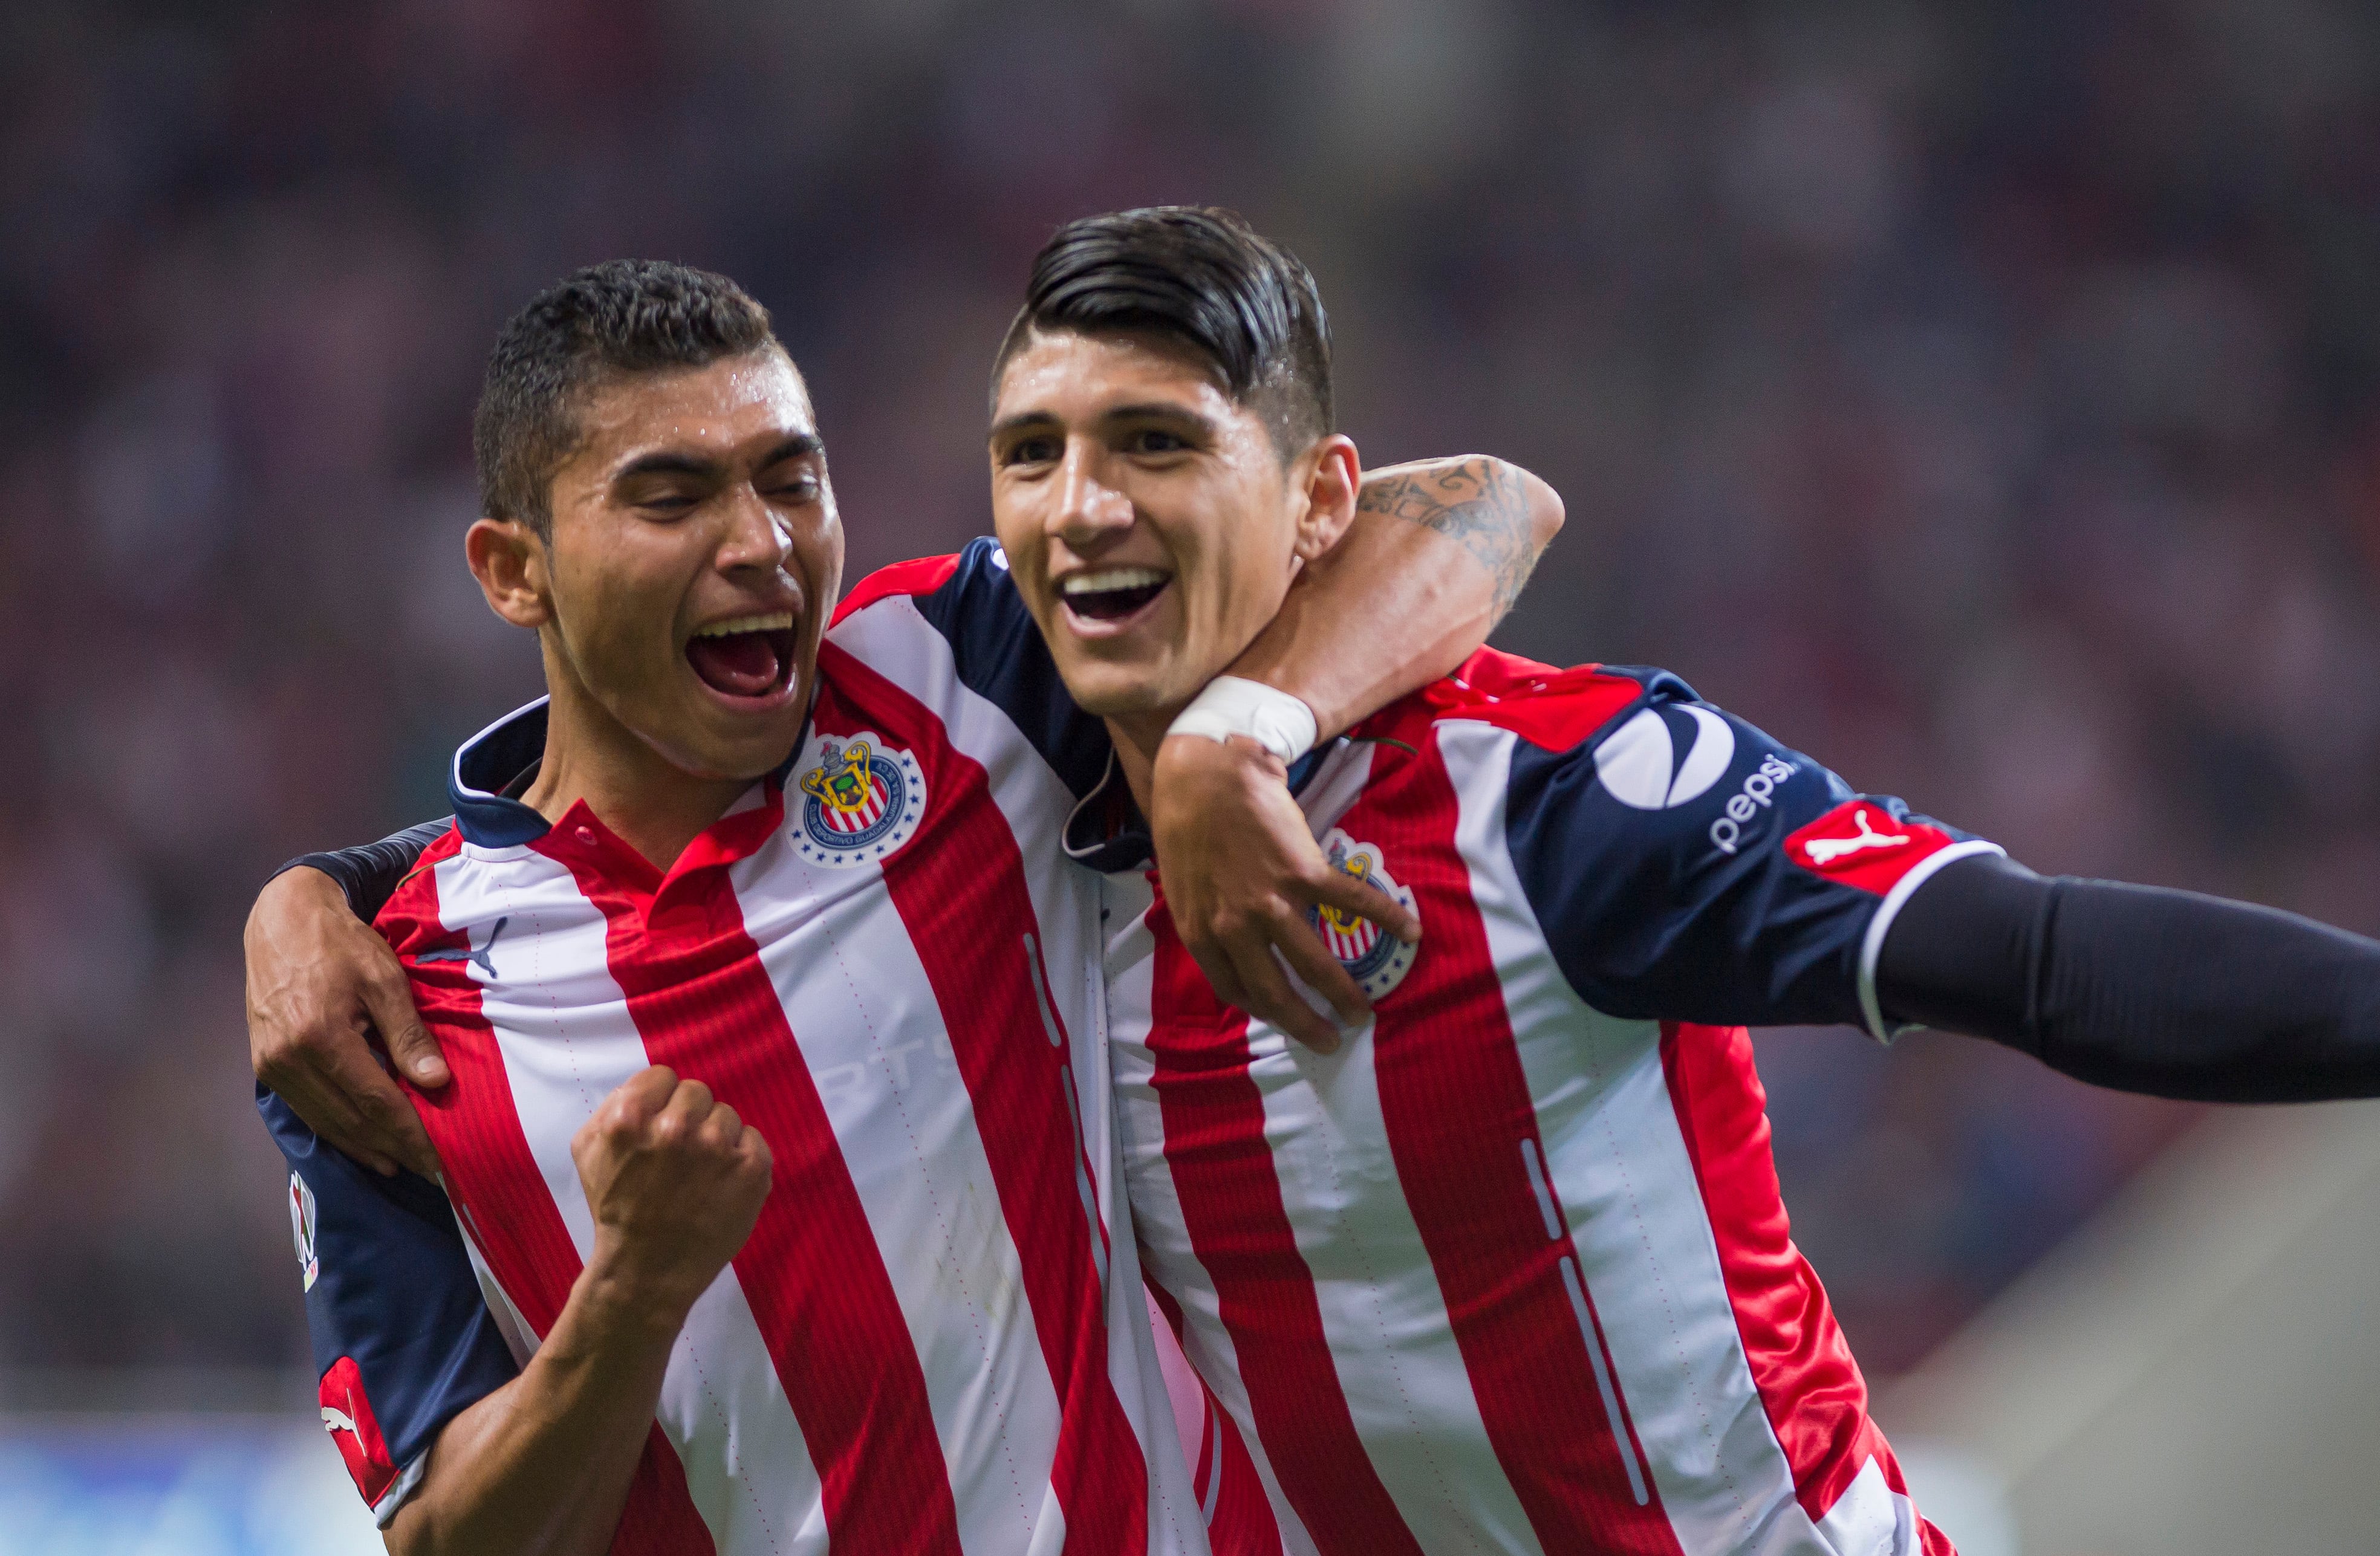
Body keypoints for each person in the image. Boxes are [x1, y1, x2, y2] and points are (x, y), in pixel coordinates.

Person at [261, 210, 2380, 1556]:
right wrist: (311, 891)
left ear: (1308, 493)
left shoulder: (1519, 795)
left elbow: (2015, 945)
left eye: (1155, 442)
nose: (1078, 510)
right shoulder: (935, 788)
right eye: (1030, 453)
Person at [256, 255, 1561, 1554]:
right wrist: (635, 1296)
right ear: (512, 571)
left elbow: (1483, 511)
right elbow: (447, 1542)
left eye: (791, 478)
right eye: (672, 498)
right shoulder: (387, 1002)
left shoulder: (957, 680)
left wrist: (1235, 737)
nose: (761, 542)